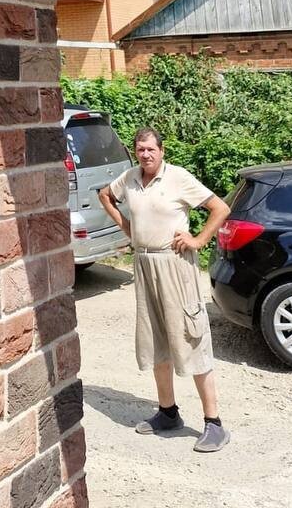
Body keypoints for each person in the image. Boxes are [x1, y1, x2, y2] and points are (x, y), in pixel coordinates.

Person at [98, 126, 232, 453]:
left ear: (162, 150)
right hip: (144, 264)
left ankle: (214, 423)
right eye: (140, 149)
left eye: (151, 149)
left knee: (191, 336)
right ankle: (168, 412)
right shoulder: (130, 178)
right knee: (155, 337)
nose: (146, 155)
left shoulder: (178, 178)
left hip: (175, 265)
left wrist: (198, 240)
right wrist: (128, 228)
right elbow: (104, 195)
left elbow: (221, 208)